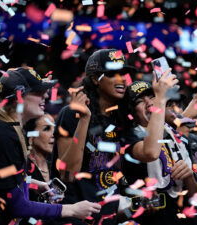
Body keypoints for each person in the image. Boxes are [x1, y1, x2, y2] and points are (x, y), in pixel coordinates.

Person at [0, 67, 101, 224]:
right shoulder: (4, 136)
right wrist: (70, 209)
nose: (46, 95)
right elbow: (17, 206)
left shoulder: (8, 130)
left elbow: (4, 183)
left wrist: (30, 183)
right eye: (38, 92)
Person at [51, 49, 138, 224]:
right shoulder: (71, 114)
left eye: (124, 73)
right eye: (113, 73)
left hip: (109, 218)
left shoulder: (122, 119)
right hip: (76, 217)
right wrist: (84, 119)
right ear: (94, 79)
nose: (121, 79)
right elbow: (67, 173)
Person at [121, 78, 197, 225]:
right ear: (131, 112)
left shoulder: (176, 136)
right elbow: (150, 152)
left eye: (152, 96)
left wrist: (189, 177)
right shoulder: (128, 138)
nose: (149, 103)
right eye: (140, 101)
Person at [23, 114, 55, 201]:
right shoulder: (23, 166)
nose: (54, 134)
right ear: (31, 138)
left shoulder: (57, 164)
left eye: (54, 128)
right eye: (47, 129)